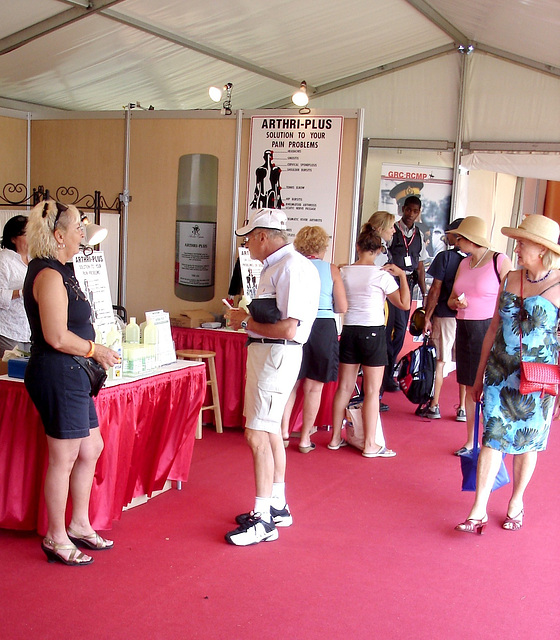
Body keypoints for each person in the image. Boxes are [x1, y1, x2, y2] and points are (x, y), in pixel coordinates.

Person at [23, 199, 120, 565]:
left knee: (91, 447)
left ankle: (79, 524)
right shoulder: (47, 274)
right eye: (79, 226)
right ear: (59, 236)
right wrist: (95, 349)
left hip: (73, 374)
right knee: (63, 458)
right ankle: (56, 536)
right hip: (58, 372)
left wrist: (93, 352)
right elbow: (56, 337)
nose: (84, 233)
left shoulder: (63, 268)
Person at [456, 215, 560, 534]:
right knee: (492, 439)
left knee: (528, 443)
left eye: (523, 242)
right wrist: (478, 377)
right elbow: (493, 329)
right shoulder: (510, 277)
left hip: (538, 380)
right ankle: (478, 509)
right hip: (499, 373)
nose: (517, 247)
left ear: (542, 250)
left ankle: (516, 500)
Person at [224, 208, 320, 546]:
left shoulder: (291, 267)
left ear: (263, 236)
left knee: (256, 435)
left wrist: (244, 322)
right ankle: (276, 506)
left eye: (249, 237)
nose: (247, 243)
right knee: (270, 432)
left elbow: (289, 328)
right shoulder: (279, 266)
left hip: (275, 355)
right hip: (268, 354)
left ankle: (263, 518)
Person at [328, 223, 410, 457]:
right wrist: (402, 276)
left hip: (350, 330)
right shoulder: (381, 275)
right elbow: (403, 304)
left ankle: (335, 438)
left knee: (344, 387)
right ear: (378, 250)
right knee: (372, 390)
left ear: (357, 247)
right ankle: (370, 444)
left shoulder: (344, 272)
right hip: (374, 332)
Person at [448, 217, 512, 456]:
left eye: (460, 238)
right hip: (464, 325)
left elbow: (511, 295)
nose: (457, 241)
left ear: (471, 240)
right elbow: (451, 298)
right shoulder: (464, 263)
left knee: (486, 384)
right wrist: (455, 302)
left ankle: (491, 437)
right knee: (468, 383)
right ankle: (470, 439)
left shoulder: (499, 260)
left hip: (488, 327)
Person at [280, 225, 347, 452]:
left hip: (297, 322)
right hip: (322, 326)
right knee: (313, 387)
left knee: (292, 382)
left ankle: (283, 432)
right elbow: (342, 306)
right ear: (323, 246)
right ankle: (306, 437)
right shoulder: (331, 270)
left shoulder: (293, 266)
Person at [420, 218, 466, 420]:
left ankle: (435, 405)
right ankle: (462, 408)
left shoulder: (445, 257)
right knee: (464, 362)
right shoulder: (475, 260)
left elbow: (435, 289)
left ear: (455, 234)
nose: (445, 236)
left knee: (440, 360)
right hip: (468, 317)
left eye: (448, 233)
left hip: (445, 315)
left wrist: (427, 316)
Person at [383, 195, 428, 392]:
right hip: (391, 283)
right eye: (408, 209)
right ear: (402, 209)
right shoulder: (393, 231)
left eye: (415, 211)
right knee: (388, 328)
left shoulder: (419, 235)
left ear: (419, 213)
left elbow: (419, 263)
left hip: (407, 284)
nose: (410, 214)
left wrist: (424, 291)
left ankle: (390, 368)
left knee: (401, 330)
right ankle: (383, 375)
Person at [0, 215, 31, 357]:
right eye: (26, 234)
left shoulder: (34, 260)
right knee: (10, 374)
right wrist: (22, 292)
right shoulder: (4, 259)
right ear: (13, 238)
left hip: (30, 330)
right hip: (9, 330)